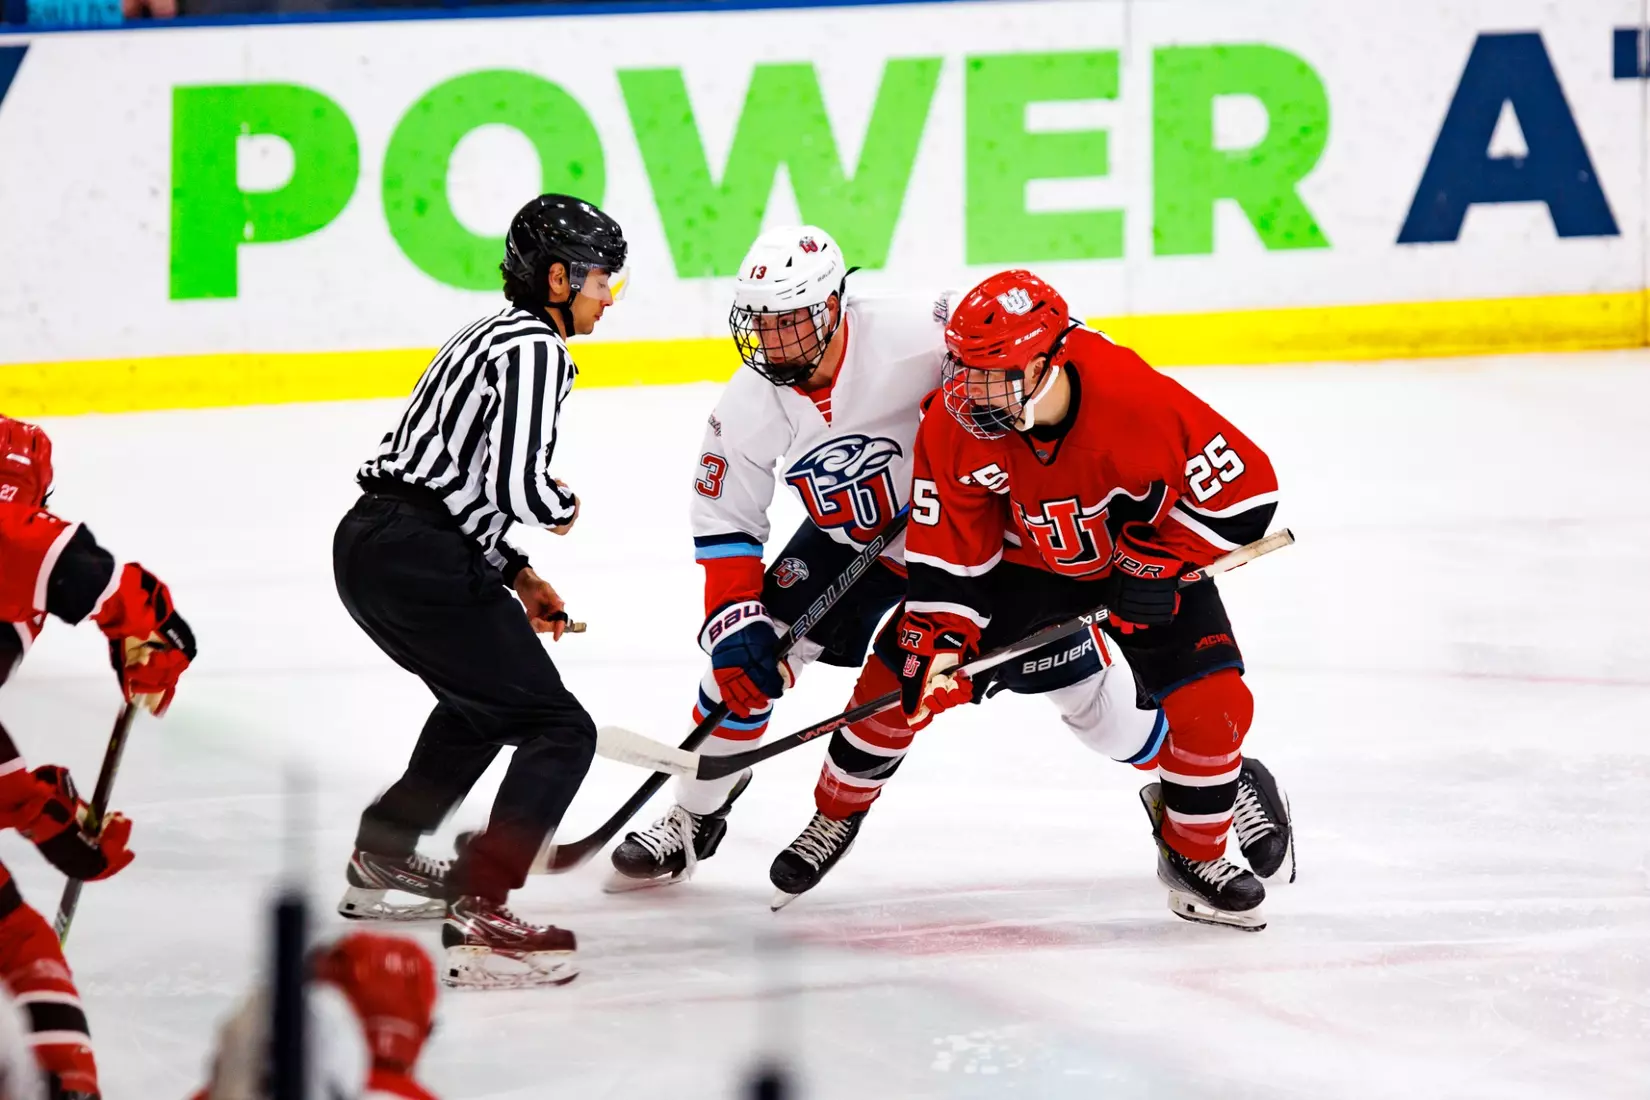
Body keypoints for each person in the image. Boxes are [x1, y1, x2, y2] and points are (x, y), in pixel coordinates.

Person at [607, 227, 1205, 906]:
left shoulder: (919, 325)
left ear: (835, 305)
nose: (773, 345)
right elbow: (725, 523)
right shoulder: (747, 405)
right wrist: (735, 622)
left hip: (974, 544)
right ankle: (694, 815)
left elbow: (1057, 345)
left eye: (791, 324)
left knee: (1091, 704)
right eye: (761, 326)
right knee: (741, 673)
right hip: (850, 541)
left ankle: (1208, 778)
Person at [893, 269, 1292, 930]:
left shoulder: (1135, 400)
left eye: (991, 372)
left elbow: (1246, 495)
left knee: (1216, 705)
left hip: (1143, 561)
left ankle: (1194, 859)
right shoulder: (956, 423)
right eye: (963, 367)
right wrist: (939, 638)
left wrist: (1157, 560)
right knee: (906, 674)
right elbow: (950, 550)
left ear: (1049, 360)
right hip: (1030, 562)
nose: (968, 390)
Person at [332, 193, 626, 988]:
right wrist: (561, 509)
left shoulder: (487, 335)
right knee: (559, 729)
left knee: (477, 708)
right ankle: (485, 908)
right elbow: (516, 483)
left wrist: (517, 574)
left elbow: (452, 485)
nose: (609, 297)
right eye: (605, 280)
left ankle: (383, 856)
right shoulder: (538, 350)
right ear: (560, 278)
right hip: (419, 553)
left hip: (373, 545)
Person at [0, 415, 197, 1097]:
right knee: (19, 946)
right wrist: (135, 610)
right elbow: (36, 550)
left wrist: (30, 802)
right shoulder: (14, 538)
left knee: (20, 939)